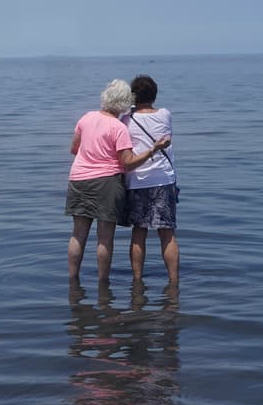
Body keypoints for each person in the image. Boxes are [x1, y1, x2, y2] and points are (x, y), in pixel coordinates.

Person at [67, 79, 171, 283]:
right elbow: (128, 162)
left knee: (78, 234)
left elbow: (74, 149)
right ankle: (103, 284)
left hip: (78, 179)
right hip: (107, 182)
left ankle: (73, 281)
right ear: (125, 103)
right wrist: (153, 150)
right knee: (104, 238)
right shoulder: (119, 127)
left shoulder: (86, 118)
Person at [123, 75, 179, 281]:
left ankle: (137, 281)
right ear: (154, 95)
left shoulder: (126, 120)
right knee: (167, 233)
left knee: (139, 232)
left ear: (133, 96)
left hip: (137, 181)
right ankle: (173, 281)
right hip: (164, 180)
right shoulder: (165, 114)